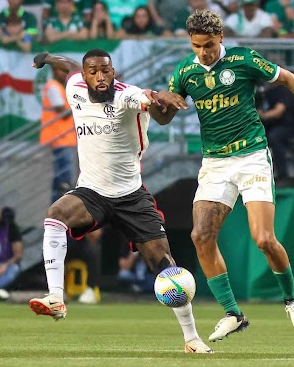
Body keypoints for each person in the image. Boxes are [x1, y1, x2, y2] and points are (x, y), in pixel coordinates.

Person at [149, 9, 294, 342]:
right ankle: (233, 314)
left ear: (221, 37)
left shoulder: (243, 60)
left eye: (209, 45)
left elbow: (288, 79)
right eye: (197, 46)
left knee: (264, 239)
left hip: (252, 155)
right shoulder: (185, 71)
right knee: (201, 237)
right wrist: (158, 101)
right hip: (215, 162)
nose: (203, 52)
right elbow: (164, 118)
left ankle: (292, 299)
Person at [29, 49, 213, 354]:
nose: (101, 77)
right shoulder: (74, 86)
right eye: (94, 72)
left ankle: (192, 339)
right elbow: (69, 65)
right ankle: (56, 297)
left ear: (113, 72)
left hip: (131, 196)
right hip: (92, 192)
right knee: (55, 215)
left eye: (106, 70)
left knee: (166, 268)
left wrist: (165, 101)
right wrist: (47, 57)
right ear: (85, 75)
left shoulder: (127, 96)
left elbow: (158, 111)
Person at [40, 64, 77, 202]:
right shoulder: (53, 87)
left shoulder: (61, 87)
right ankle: (60, 210)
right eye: (61, 70)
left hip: (65, 138)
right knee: (64, 180)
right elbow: (62, 112)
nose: (64, 74)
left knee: (60, 180)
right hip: (60, 139)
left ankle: (56, 211)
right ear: (55, 71)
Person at [257, 83, 294, 180]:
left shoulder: (283, 90)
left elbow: (279, 111)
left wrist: (263, 115)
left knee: (274, 137)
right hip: (272, 126)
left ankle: (283, 175)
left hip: (289, 126)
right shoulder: (263, 92)